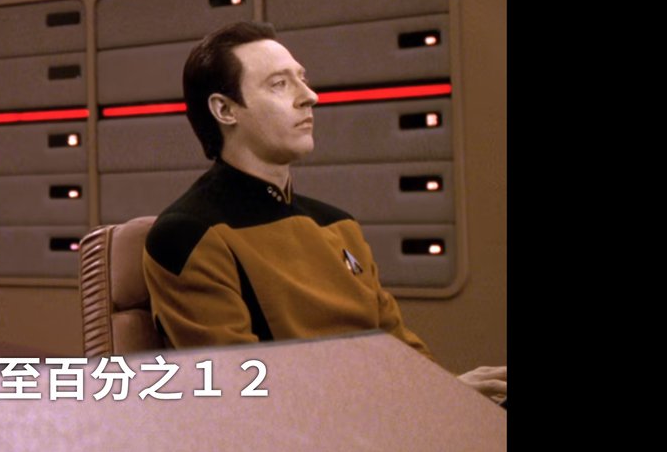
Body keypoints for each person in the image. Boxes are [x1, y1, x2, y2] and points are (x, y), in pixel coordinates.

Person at [142, 21, 506, 400]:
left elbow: (401, 349)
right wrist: (426, 397)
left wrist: (450, 391)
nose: (309, 96)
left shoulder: (339, 224)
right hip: (317, 432)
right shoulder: (189, 234)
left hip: (399, 411)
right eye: (279, 84)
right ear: (225, 109)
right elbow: (244, 392)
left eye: (303, 79)